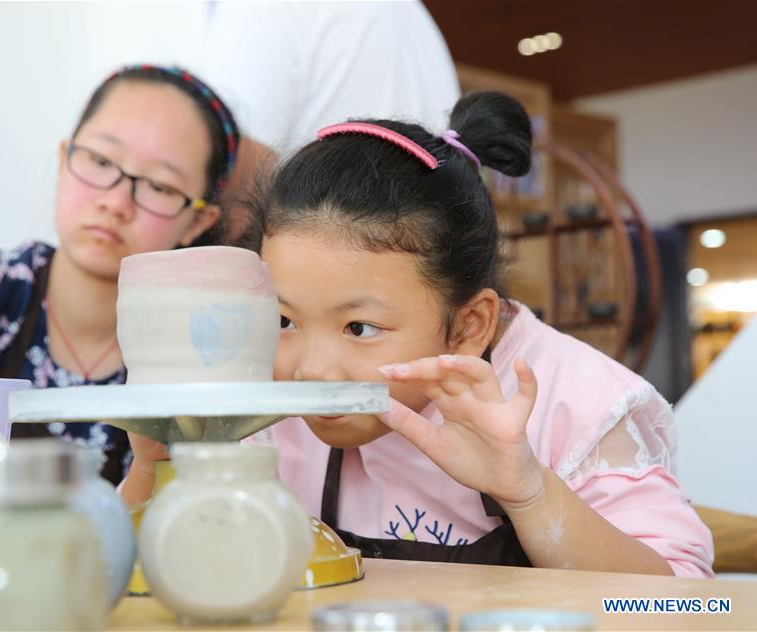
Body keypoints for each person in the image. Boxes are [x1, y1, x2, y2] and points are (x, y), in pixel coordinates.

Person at [120, 91, 714, 577]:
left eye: (360, 327)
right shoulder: (265, 401)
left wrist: (530, 493)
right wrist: (158, 466)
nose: (312, 370)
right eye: (284, 320)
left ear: (469, 326)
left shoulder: (578, 402)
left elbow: (687, 606)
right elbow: (155, 574)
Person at [0, 65, 239, 483]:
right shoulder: (1, 284)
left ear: (197, 224)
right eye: (99, 160)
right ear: (64, 159)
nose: (115, 201)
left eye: (160, 186)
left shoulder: (197, 353)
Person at [190, 0, 461, 245]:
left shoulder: (263, 9)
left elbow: (239, 206)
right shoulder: (411, 12)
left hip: (333, 262)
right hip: (417, 260)